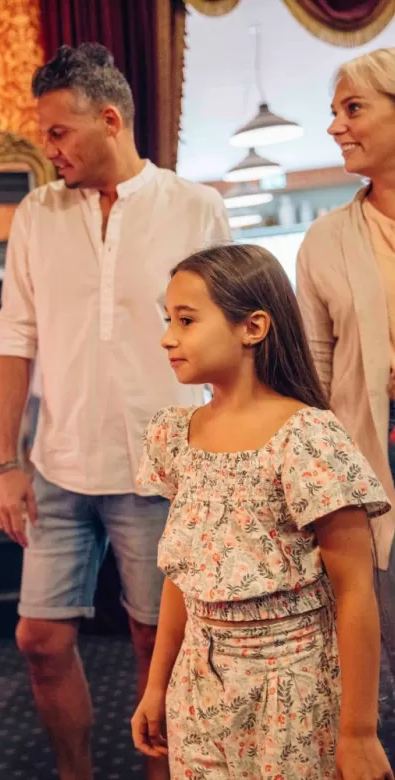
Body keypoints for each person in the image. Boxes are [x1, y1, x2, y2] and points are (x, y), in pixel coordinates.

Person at [0, 43, 230, 780]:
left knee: (157, 646)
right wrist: (4, 462)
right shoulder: (36, 213)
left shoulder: (195, 206)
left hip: (162, 471)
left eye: (59, 132)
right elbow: (14, 337)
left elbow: (231, 335)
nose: (48, 148)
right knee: (39, 640)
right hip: (58, 467)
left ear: (110, 118)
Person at [132, 243, 392, 779]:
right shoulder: (176, 435)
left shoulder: (307, 438)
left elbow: (355, 591)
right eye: (167, 319)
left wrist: (359, 732)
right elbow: (184, 575)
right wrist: (157, 684)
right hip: (198, 688)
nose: (167, 337)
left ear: (252, 327)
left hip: (291, 690)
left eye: (186, 319)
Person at [296, 48, 395, 689]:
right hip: (378, 480)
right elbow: (314, 379)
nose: (335, 126)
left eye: (353, 108)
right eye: (333, 112)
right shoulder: (326, 239)